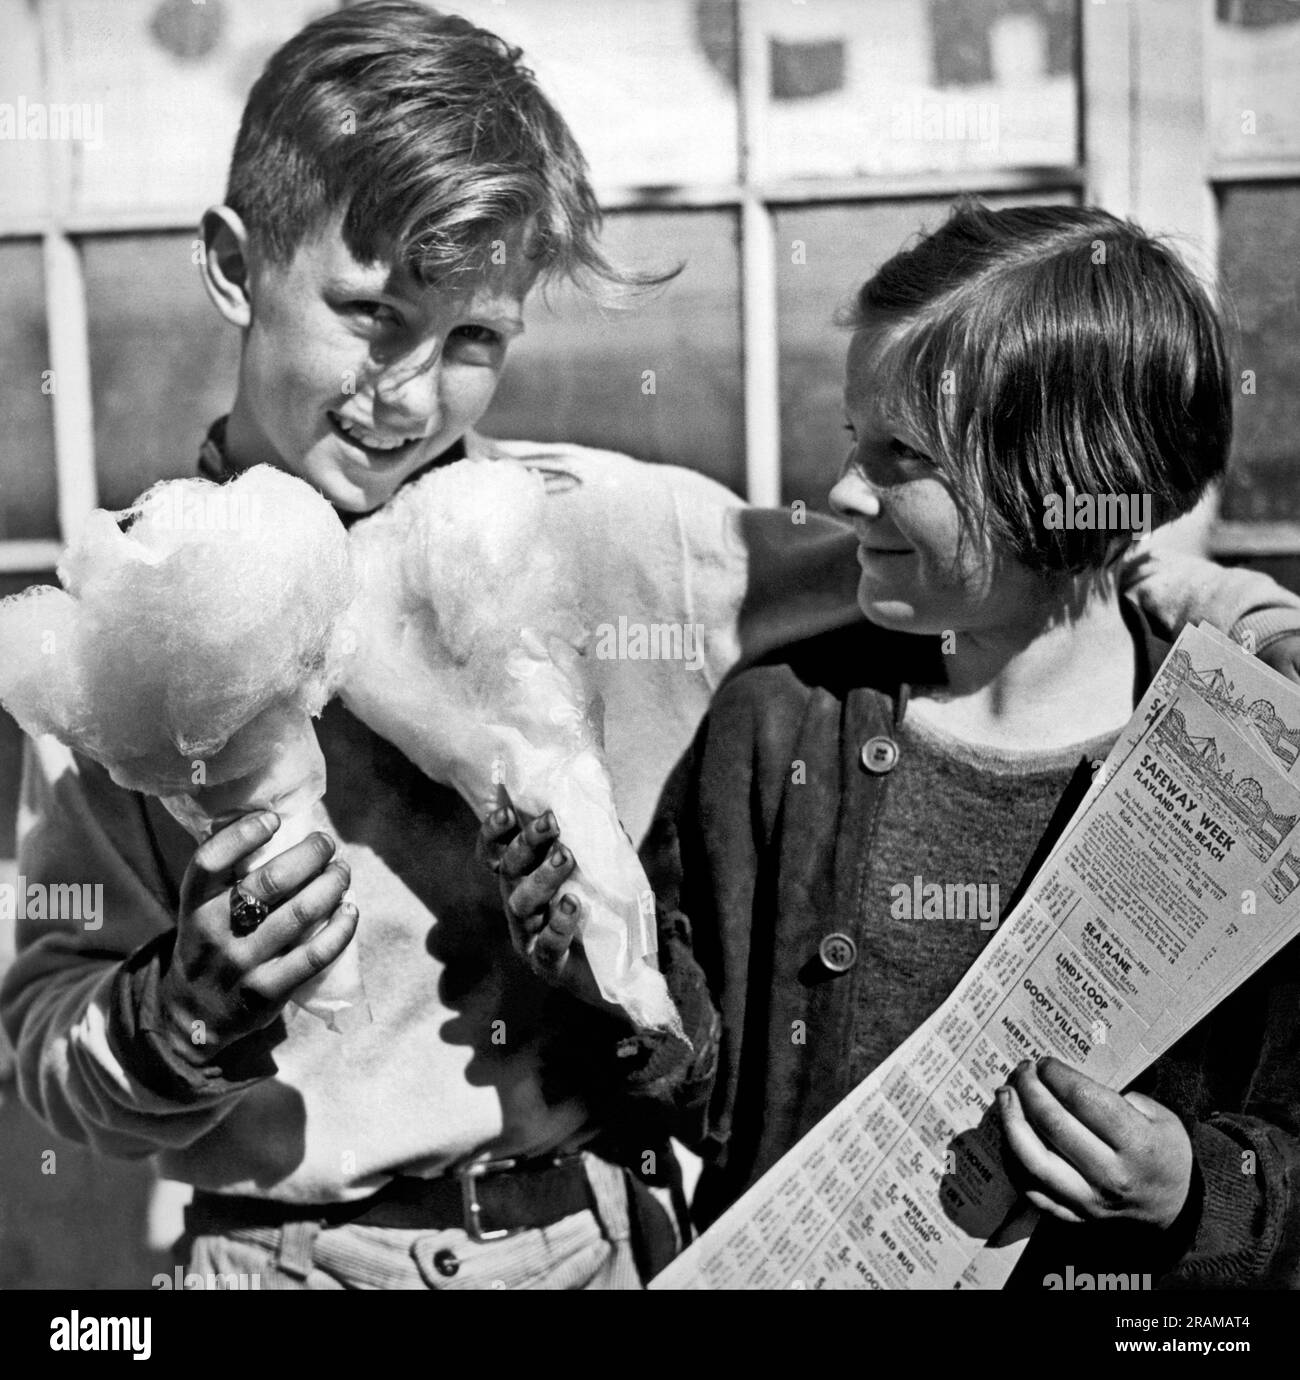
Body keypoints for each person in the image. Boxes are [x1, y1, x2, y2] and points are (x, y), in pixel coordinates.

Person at [3, 4, 1298, 1291]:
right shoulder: (128, 623)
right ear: (234, 261)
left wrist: (1240, 627)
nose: (405, 390)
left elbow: (998, 542)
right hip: (274, 1259)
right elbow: (44, 1043)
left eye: (472, 340)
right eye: (369, 312)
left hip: (598, 1243)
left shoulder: (601, 537)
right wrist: (181, 1009)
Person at [619, 202, 1300, 1287]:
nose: (843, 490)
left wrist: (1191, 1186)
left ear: (1067, 486)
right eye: (854, 439)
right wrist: (600, 980)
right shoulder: (775, 725)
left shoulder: (1254, 779)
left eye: (903, 457)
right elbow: (685, 1084)